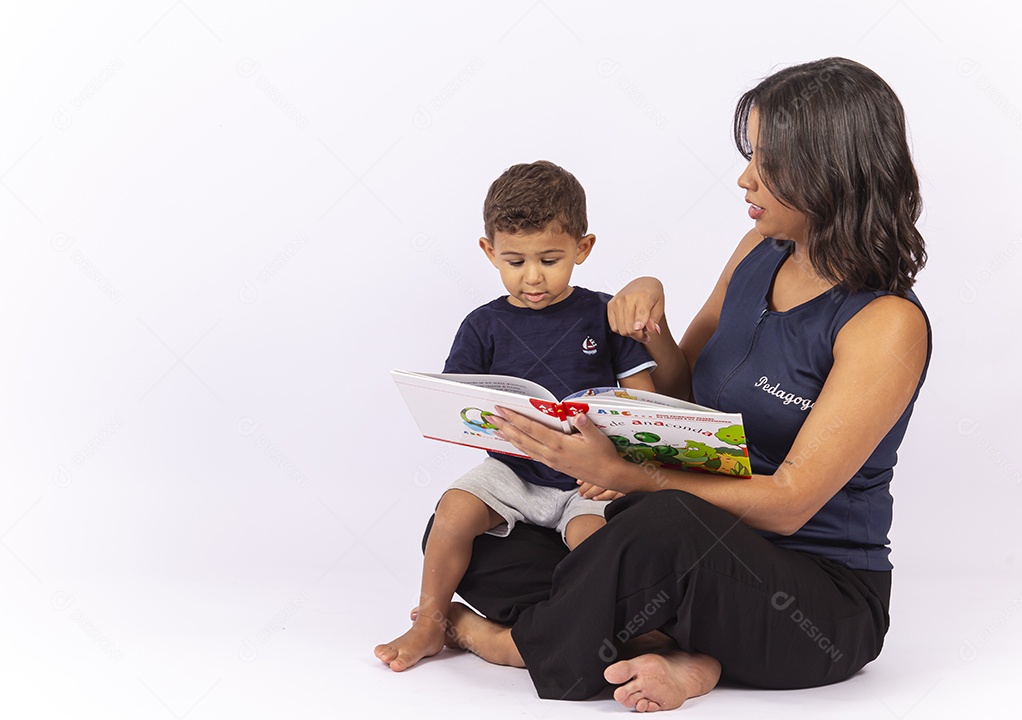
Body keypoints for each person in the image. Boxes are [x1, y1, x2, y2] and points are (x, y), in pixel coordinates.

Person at [440, 57, 932, 712]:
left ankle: (517, 644)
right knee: (482, 527)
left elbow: (789, 503)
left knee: (661, 526)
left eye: (768, 162)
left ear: (831, 171)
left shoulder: (885, 323)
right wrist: (650, 319)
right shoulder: (760, 250)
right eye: (749, 153)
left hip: (818, 600)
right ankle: (682, 654)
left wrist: (629, 472)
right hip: (684, 546)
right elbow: (679, 392)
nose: (745, 176)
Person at [374, 160, 657, 672]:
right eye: (514, 260)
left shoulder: (603, 313)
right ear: (488, 252)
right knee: (455, 508)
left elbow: (646, 406)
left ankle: (593, 628)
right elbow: (456, 404)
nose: (532, 277)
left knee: (593, 544)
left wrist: (623, 467)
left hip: (585, 479)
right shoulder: (483, 325)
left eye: (550, 259)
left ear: (583, 249)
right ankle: (431, 621)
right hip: (513, 470)